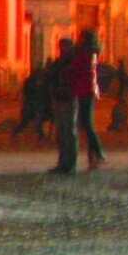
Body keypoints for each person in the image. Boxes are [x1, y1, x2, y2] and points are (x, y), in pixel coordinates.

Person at [72, 29, 106, 170]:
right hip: (88, 90)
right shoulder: (92, 53)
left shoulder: (85, 54)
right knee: (86, 124)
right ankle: (93, 153)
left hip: (84, 90)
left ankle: (97, 151)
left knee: (86, 124)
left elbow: (77, 69)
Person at [48, 37, 78, 173]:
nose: (63, 49)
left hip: (69, 98)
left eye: (65, 46)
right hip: (59, 98)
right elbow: (51, 77)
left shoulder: (73, 62)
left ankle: (70, 162)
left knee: (68, 131)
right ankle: (63, 161)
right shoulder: (59, 62)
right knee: (61, 132)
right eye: (62, 46)